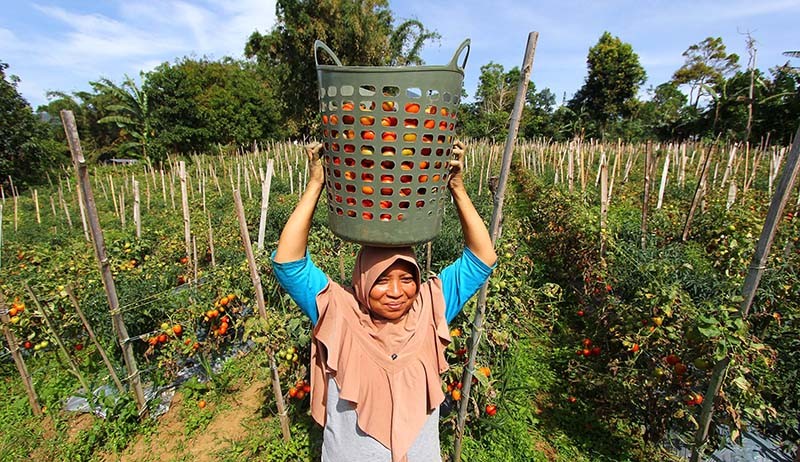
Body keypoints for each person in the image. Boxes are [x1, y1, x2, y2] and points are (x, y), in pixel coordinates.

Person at [272, 140, 497, 462]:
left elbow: (482, 258)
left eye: (407, 279)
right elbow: (288, 262)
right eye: (381, 280)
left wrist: (457, 188)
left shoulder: (430, 306)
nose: (396, 292)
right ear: (361, 281)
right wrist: (315, 184)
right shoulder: (338, 310)